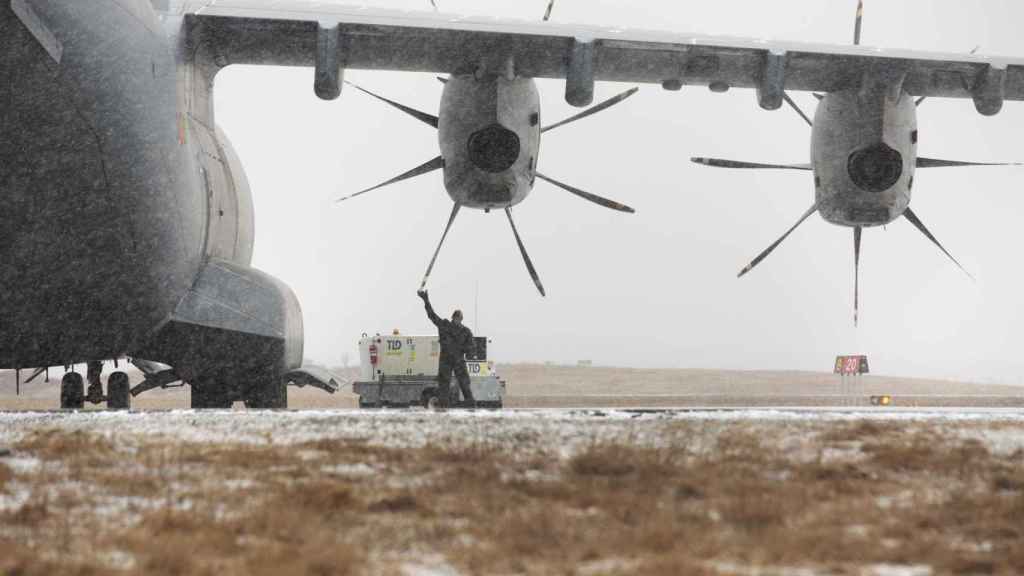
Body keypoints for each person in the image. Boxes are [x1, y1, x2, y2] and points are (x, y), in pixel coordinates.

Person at [417, 289, 476, 408]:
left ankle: (468, 407)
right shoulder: (448, 326)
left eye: (458, 319)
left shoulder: (463, 331)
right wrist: (426, 300)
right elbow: (432, 316)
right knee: (446, 387)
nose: (457, 320)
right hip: (449, 360)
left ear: (460, 319)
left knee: (462, 386)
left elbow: (471, 347)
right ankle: (447, 407)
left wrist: (468, 353)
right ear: (454, 318)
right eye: (456, 318)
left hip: (454, 360)